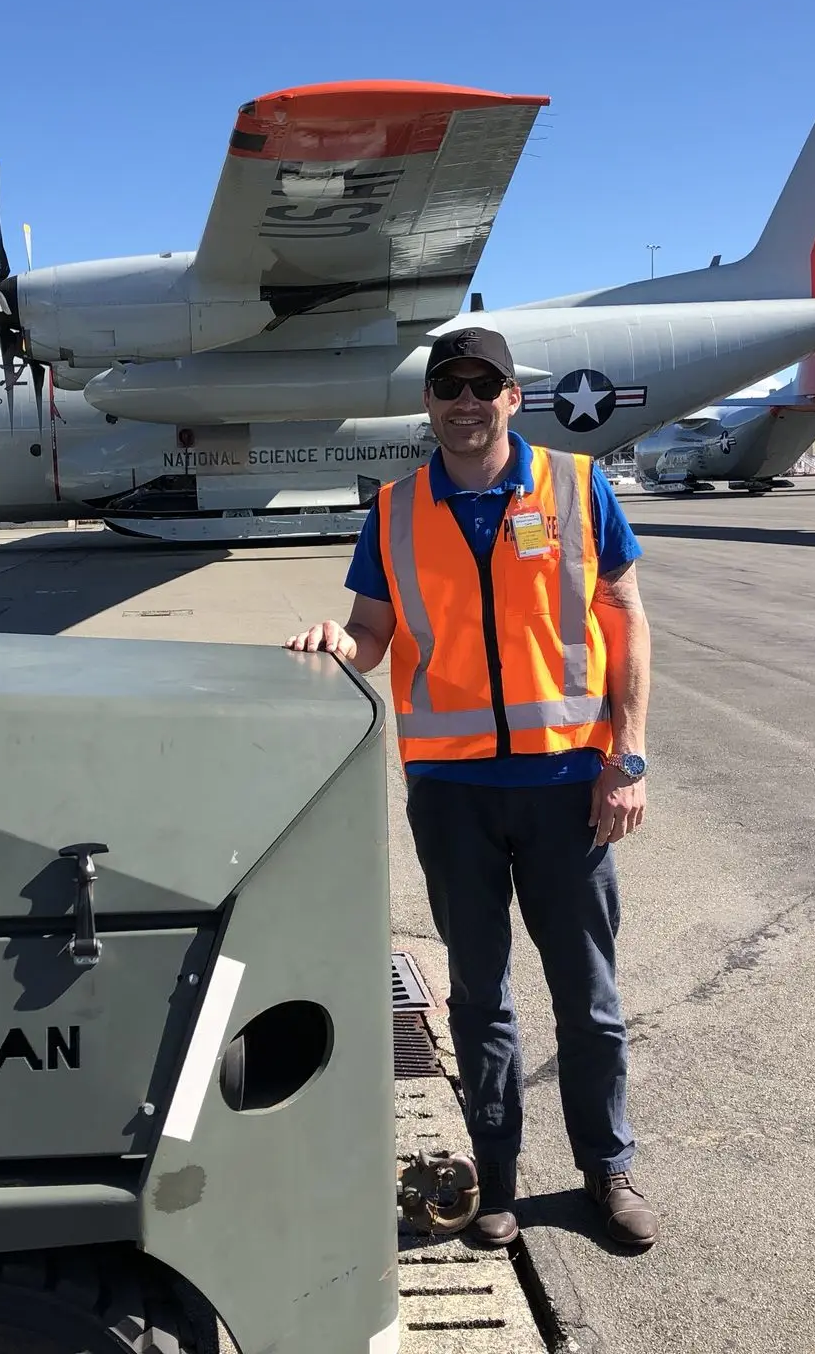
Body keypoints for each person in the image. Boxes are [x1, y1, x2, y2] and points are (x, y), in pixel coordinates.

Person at [284, 326, 658, 1250]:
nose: (464, 400)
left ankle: (607, 1170)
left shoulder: (573, 486)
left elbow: (628, 622)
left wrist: (629, 757)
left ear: (510, 398)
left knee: (589, 997)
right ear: (428, 403)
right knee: (477, 996)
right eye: (447, 385)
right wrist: (340, 643)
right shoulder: (397, 510)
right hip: (452, 792)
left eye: (481, 384)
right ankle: (497, 1183)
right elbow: (374, 631)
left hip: (570, 782)